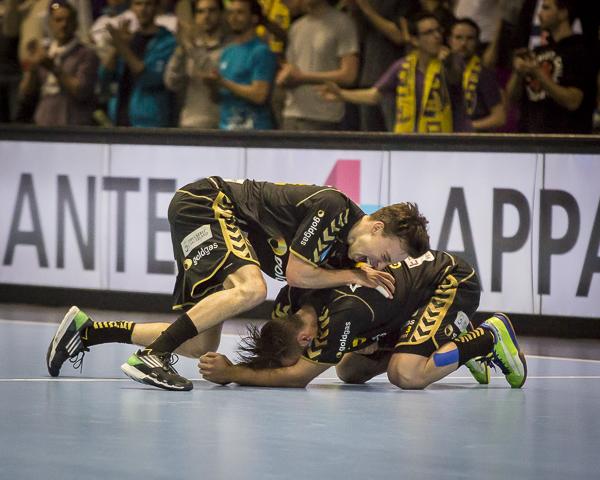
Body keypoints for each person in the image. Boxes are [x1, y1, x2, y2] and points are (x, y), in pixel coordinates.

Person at [47, 176, 430, 391]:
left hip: (217, 224)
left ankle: (89, 332)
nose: (381, 264)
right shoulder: (334, 208)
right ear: (377, 227)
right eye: (389, 254)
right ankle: (153, 356)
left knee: (199, 344)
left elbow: (301, 289)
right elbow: (296, 274)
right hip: (207, 203)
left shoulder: (343, 255)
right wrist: (352, 275)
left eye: (390, 264)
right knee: (251, 289)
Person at [198, 250, 527, 390]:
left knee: (406, 375)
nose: (299, 361)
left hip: (449, 280)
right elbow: (289, 364)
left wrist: (232, 373)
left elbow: (297, 377)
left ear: (303, 340)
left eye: (299, 356)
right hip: (401, 304)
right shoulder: (289, 303)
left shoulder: (344, 316)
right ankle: (450, 339)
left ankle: (488, 336)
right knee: (350, 371)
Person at [319, 12, 469, 134]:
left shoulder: (453, 61)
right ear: (415, 40)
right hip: (412, 140)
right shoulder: (403, 67)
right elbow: (374, 95)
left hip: (450, 140)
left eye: (438, 31)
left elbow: (454, 78)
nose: (437, 36)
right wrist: (341, 94)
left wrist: (447, 63)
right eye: (429, 33)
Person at [506, 0, 597, 133]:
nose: (539, 14)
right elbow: (511, 101)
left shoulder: (580, 50)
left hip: (566, 141)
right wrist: (518, 73)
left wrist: (539, 74)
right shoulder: (536, 52)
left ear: (563, 13)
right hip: (531, 140)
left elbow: (573, 101)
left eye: (546, 8)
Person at [278, 0, 359, 131]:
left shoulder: (342, 23)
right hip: (291, 113)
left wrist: (303, 77)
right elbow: (292, 69)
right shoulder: (296, 27)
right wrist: (284, 78)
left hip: (324, 115)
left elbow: (349, 75)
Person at [17, 0, 98, 126]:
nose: (64, 25)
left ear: (75, 23)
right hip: (43, 122)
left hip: (72, 124)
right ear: (50, 23)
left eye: (68, 20)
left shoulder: (86, 54)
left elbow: (81, 91)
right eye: (58, 20)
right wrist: (32, 68)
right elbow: (25, 94)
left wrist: (53, 68)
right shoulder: (45, 51)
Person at [97, 0, 176, 127]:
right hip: (119, 120)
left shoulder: (167, 41)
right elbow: (104, 76)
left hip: (150, 122)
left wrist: (120, 45)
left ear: (157, 7)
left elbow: (148, 78)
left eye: (148, 4)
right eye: (138, 4)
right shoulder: (129, 39)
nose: (143, 9)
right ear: (132, 7)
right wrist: (116, 48)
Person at [204, 0, 277, 130]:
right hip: (226, 129)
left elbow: (259, 95)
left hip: (254, 132)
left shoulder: (261, 51)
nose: (233, 17)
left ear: (254, 18)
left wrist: (223, 82)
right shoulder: (227, 52)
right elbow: (217, 99)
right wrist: (212, 86)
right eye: (231, 13)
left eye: (240, 13)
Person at [164, 0, 228, 128]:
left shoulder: (230, 48)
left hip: (219, 124)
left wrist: (190, 47)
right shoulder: (187, 47)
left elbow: (215, 76)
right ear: (195, 17)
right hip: (189, 122)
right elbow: (171, 83)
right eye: (200, 12)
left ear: (221, 14)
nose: (206, 16)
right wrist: (181, 50)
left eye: (212, 10)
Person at [448, 17, 506, 131]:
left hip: (476, 142)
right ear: (449, 40)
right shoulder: (441, 70)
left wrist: (466, 127)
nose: (463, 43)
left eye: (470, 38)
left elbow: (499, 118)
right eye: (458, 38)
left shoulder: (484, 74)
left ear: (477, 41)